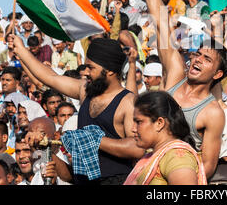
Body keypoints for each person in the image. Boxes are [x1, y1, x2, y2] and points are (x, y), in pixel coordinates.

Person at [130, 0, 227, 179]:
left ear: (218, 73)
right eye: (197, 54)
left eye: (207, 59)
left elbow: (209, 165)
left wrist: (175, 175)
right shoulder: (175, 75)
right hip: (147, 168)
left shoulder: (212, 112)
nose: (197, 60)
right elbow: (161, 24)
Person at [8, 34, 145, 185]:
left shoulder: (128, 102)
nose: (86, 72)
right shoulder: (85, 90)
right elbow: (51, 78)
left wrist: (92, 140)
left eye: (91, 67)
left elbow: (137, 147)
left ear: (110, 70)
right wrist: (21, 50)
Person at [124, 91, 206, 185]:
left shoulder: (176, 157)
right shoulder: (155, 156)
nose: (133, 129)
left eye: (139, 122)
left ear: (159, 123)